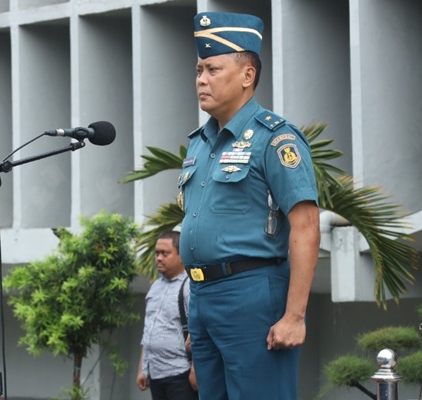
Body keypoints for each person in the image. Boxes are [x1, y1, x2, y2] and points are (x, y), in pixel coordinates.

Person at [179, 12, 320, 399]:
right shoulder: (199, 143)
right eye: (198, 70)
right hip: (203, 298)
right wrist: (197, 315)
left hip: (252, 293)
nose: (201, 79)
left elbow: (306, 227)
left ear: (247, 75)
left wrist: (294, 316)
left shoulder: (275, 139)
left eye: (212, 69)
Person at [136, 231, 197, 400]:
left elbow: (198, 331)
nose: (159, 258)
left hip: (180, 374)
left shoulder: (189, 286)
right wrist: (143, 368)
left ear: (181, 255)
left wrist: (196, 370)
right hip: (156, 375)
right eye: (156, 253)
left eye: (165, 253)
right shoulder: (155, 287)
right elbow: (148, 330)